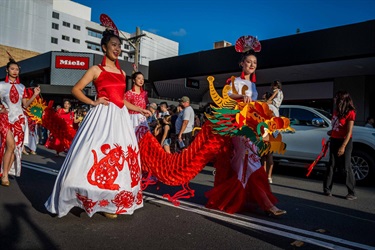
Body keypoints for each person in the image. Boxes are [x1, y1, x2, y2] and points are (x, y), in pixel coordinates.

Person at [45, 29, 151, 219]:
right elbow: (76, 89)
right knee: (91, 153)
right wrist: (93, 102)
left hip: (120, 117)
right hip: (101, 116)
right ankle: (79, 194)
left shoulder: (121, 72)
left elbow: (120, 99)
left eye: (119, 46)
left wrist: (139, 108)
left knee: (122, 157)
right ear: (104, 47)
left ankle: (110, 202)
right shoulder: (96, 70)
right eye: (113, 45)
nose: (117, 49)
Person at [205, 36, 286, 216]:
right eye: (248, 62)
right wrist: (241, 97)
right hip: (238, 127)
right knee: (251, 161)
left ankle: (233, 198)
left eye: (254, 62)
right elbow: (228, 97)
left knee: (245, 165)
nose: (251, 65)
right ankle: (267, 204)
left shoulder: (253, 84)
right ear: (242, 63)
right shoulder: (235, 81)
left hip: (249, 126)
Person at [0, 58, 41, 186]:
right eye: (12, 69)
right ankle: (4, 175)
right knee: (10, 145)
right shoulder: (1, 85)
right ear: (7, 70)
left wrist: (34, 95)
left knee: (15, 149)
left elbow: (25, 105)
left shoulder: (22, 87)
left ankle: (5, 172)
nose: (15, 71)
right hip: (5, 119)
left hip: (19, 120)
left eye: (17, 69)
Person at [323, 90, 357, 200]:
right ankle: (327, 189)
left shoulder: (351, 112)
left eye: (336, 97)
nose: (334, 99)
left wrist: (343, 146)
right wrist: (331, 133)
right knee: (331, 165)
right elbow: (336, 126)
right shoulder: (336, 111)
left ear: (342, 99)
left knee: (346, 167)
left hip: (345, 141)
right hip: (334, 139)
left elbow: (349, 132)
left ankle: (351, 192)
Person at [262, 80, 284, 183]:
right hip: (275, 132)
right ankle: (269, 176)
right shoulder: (277, 109)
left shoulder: (270, 105)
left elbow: (271, 98)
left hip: (267, 131)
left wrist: (267, 101)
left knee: (264, 155)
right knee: (270, 155)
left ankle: (264, 175)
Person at [124, 71, 150, 139]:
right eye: (139, 78)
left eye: (143, 79)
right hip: (131, 118)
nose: (141, 80)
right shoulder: (129, 93)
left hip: (142, 119)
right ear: (133, 80)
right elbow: (124, 106)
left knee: (144, 139)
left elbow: (147, 106)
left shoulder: (145, 94)